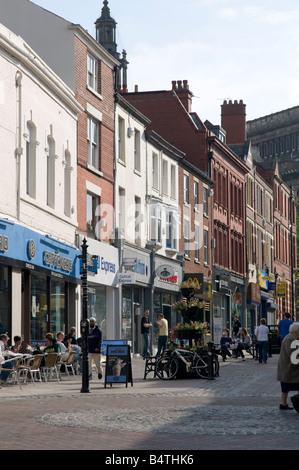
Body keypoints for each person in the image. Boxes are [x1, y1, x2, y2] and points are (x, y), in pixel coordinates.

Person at [277, 322, 299, 411]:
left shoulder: (293, 338)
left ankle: (284, 403)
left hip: (292, 367)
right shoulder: (289, 339)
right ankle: (284, 403)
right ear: (295, 332)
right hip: (288, 367)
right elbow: (292, 354)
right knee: (286, 386)